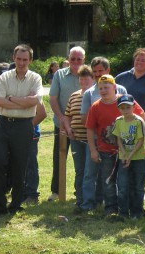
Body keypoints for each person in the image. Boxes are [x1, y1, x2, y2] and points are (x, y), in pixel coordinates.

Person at [0, 44, 44, 218]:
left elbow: (34, 101)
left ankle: (15, 204)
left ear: (30, 60)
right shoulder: (4, 77)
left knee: (20, 165)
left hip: (23, 125)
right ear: (14, 58)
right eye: (19, 59)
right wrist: (23, 101)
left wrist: (11, 98)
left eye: (25, 59)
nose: (21, 62)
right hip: (3, 124)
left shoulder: (35, 78)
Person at [84, 75, 145, 218]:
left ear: (114, 87)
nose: (103, 90)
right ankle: (110, 207)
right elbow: (90, 129)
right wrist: (93, 150)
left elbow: (141, 116)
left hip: (127, 151)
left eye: (106, 87)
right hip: (106, 150)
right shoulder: (96, 106)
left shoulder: (125, 101)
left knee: (125, 181)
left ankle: (128, 207)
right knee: (108, 180)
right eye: (101, 88)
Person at [49, 46, 85, 201]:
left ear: (84, 60)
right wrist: (62, 118)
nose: (76, 62)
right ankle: (56, 191)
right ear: (68, 59)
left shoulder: (88, 75)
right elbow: (53, 98)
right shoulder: (59, 75)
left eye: (79, 59)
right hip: (61, 124)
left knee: (83, 160)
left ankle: (82, 192)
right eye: (73, 59)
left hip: (83, 127)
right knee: (59, 158)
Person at [63, 65, 95, 209]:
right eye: (81, 79)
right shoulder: (74, 95)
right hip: (76, 139)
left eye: (86, 79)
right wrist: (69, 129)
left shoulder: (95, 95)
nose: (83, 81)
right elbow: (67, 115)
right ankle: (80, 198)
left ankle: (91, 200)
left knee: (90, 171)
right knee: (79, 170)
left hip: (91, 140)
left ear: (92, 80)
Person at [113, 94, 145, 219]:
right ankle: (123, 212)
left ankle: (137, 212)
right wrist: (124, 154)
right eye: (122, 108)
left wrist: (131, 155)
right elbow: (118, 139)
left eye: (128, 107)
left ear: (133, 107)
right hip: (124, 157)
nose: (125, 110)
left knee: (138, 185)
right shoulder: (118, 121)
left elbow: (140, 140)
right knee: (122, 185)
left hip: (138, 157)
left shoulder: (139, 121)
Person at [115, 48, 145, 146]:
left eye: (143, 60)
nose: (139, 62)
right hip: (122, 121)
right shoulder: (122, 77)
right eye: (137, 59)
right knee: (122, 150)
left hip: (143, 122)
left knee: (141, 152)